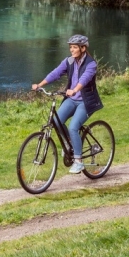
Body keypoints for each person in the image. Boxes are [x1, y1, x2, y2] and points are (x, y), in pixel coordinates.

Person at [32, 34, 103, 173]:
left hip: (86, 101)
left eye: (75, 47)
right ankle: (70, 143)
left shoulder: (91, 64)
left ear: (83, 48)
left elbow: (84, 79)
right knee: (56, 121)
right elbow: (55, 73)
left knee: (73, 127)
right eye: (70, 47)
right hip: (72, 99)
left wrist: (74, 89)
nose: (71, 50)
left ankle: (78, 161)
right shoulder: (69, 61)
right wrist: (40, 84)